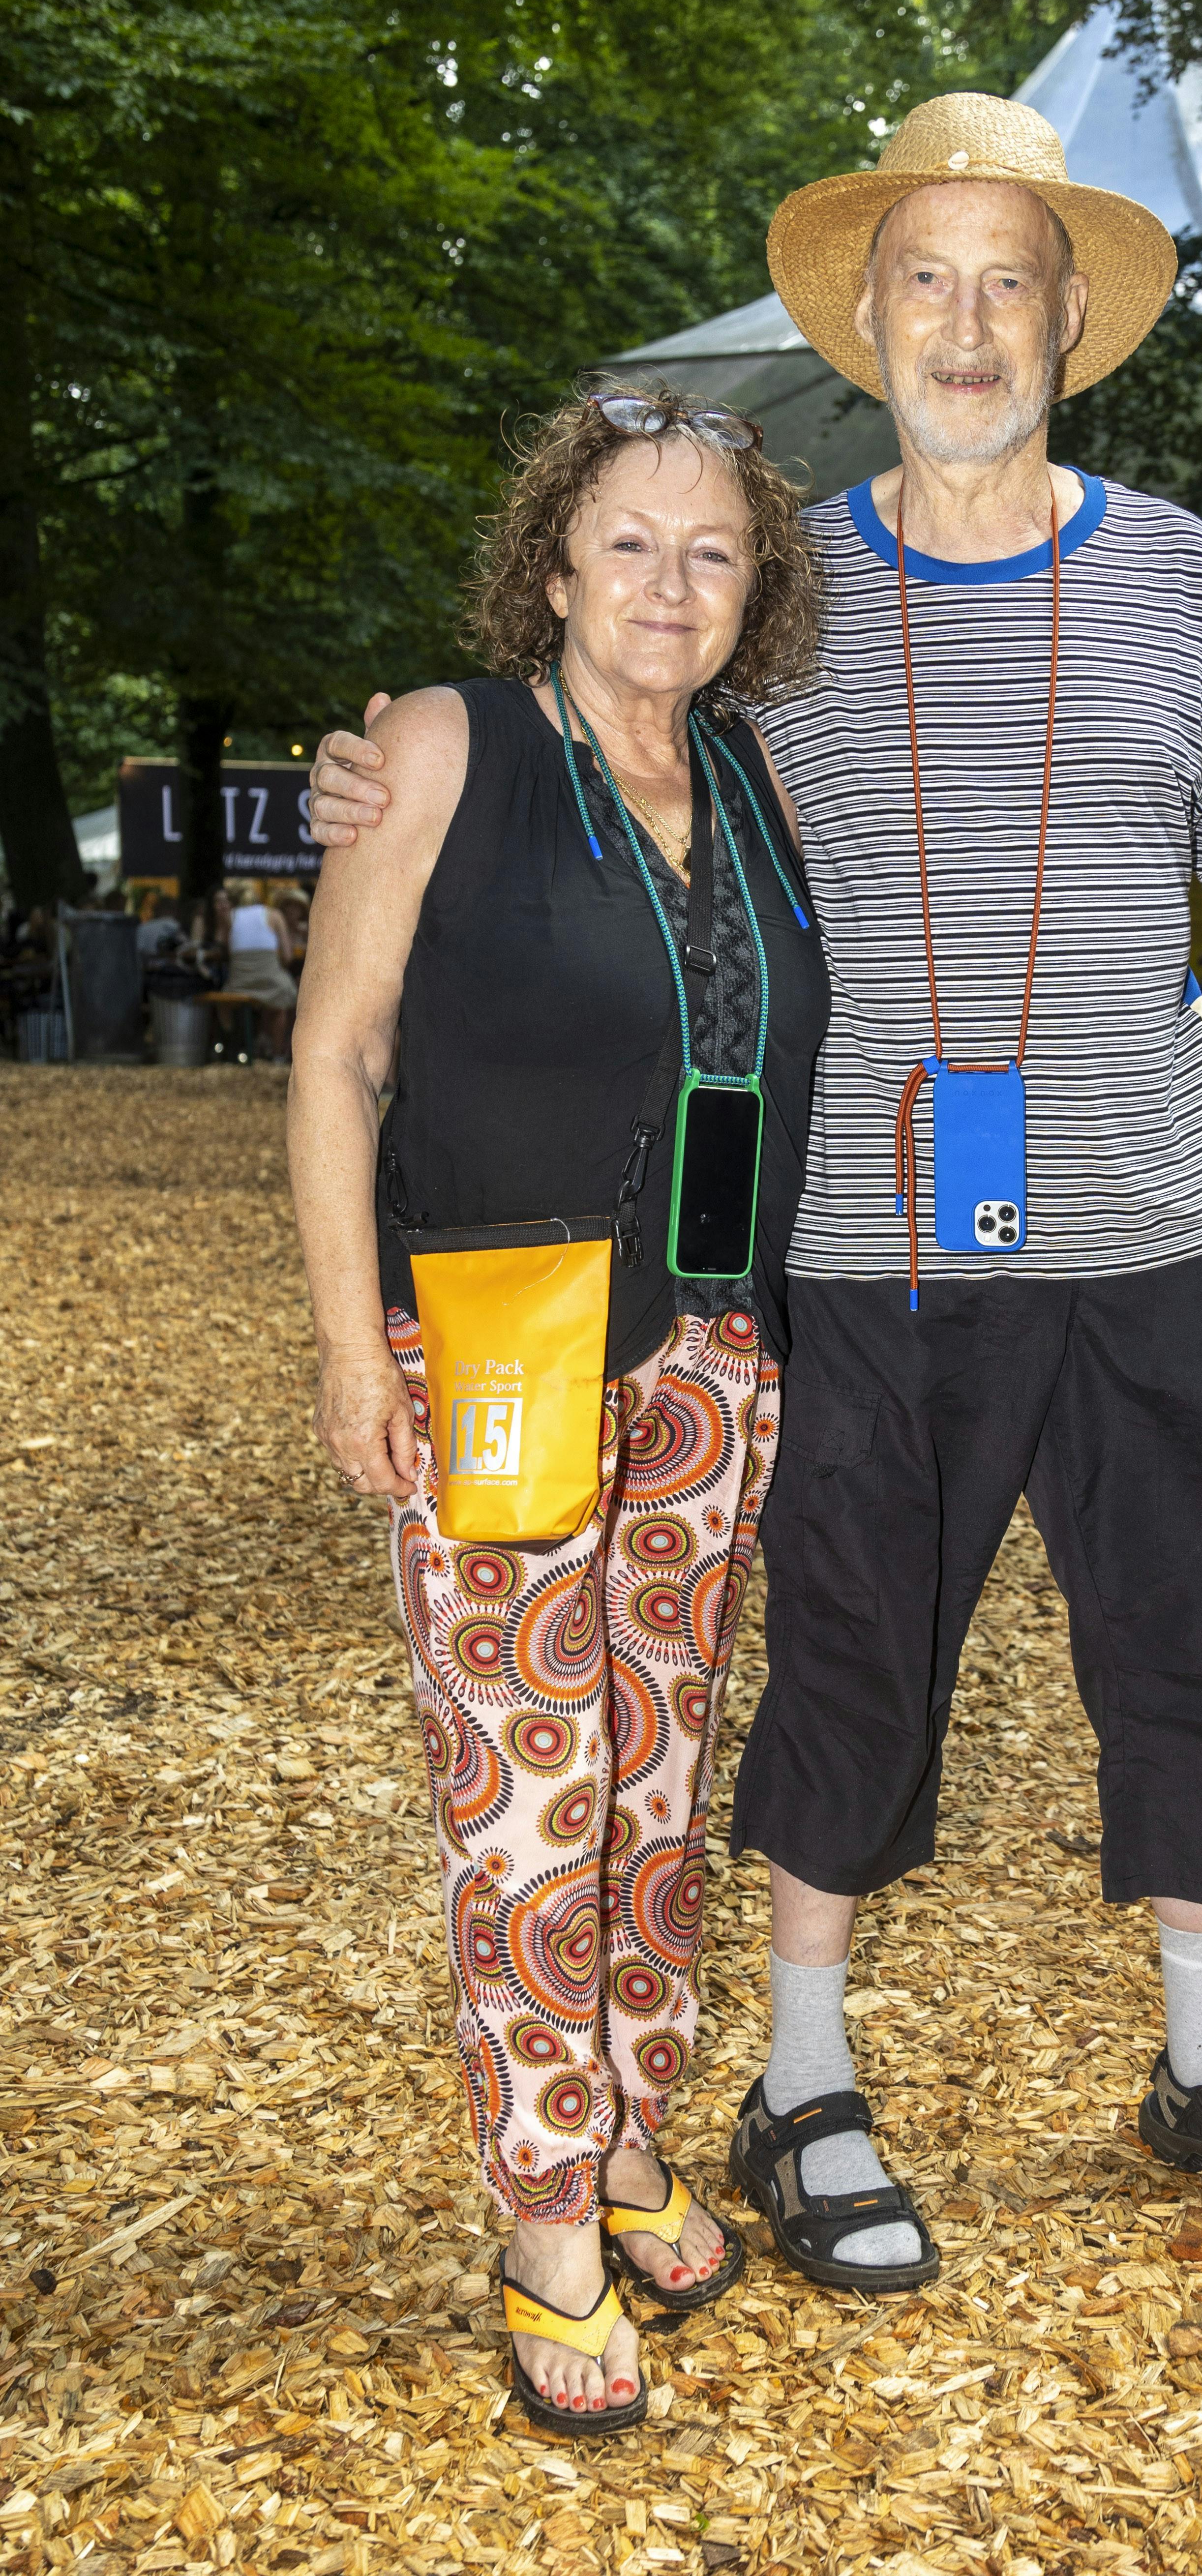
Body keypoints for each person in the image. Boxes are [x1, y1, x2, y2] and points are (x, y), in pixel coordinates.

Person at [307, 90, 1202, 2281]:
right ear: (865, 317)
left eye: (1010, 282)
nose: (966, 320)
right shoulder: (772, 592)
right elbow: (574, 724)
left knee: (1192, 1645)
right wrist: (384, 762)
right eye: (927, 279)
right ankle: (802, 2081)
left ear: (1069, 321)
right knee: (850, 1662)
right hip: (868, 1244)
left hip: (1163, 1220)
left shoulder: (1178, 569)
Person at [287, 381, 829, 2433]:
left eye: (712, 550)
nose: (670, 582)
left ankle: (623, 2131)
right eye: (630, 543)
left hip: (709, 1353)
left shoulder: (753, 772)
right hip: (500, 1337)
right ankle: (540, 2223)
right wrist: (357, 1346)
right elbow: (337, 1058)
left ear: (751, 582)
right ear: (552, 566)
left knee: (658, 1778)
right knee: (526, 1796)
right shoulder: (443, 747)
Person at [223, 877, 299, 1059]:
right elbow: (288, 956)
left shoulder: (230, 917)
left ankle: (244, 1045)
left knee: (232, 1001)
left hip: (239, 984)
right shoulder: (274, 915)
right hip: (271, 982)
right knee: (282, 1000)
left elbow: (228, 952)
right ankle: (278, 1053)